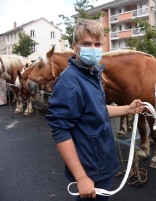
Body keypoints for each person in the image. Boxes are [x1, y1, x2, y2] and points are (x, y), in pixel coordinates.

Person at [45, 19, 144, 201]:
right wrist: (81, 177)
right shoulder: (70, 82)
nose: (93, 48)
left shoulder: (92, 74)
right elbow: (61, 130)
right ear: (75, 46)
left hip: (102, 162)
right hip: (90, 167)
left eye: (97, 44)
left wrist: (128, 109)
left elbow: (97, 110)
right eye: (86, 44)